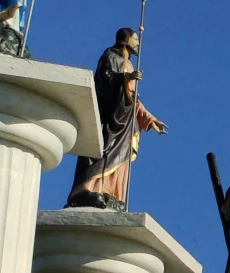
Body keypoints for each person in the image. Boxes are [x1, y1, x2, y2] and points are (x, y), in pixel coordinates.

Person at [66, 28, 166, 209]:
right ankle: (89, 189)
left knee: (120, 157)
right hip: (109, 118)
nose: (138, 43)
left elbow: (134, 99)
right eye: (135, 39)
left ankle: (109, 192)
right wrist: (125, 77)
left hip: (125, 121)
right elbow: (104, 80)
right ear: (126, 39)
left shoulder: (130, 65)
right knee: (102, 151)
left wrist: (150, 119)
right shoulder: (110, 58)